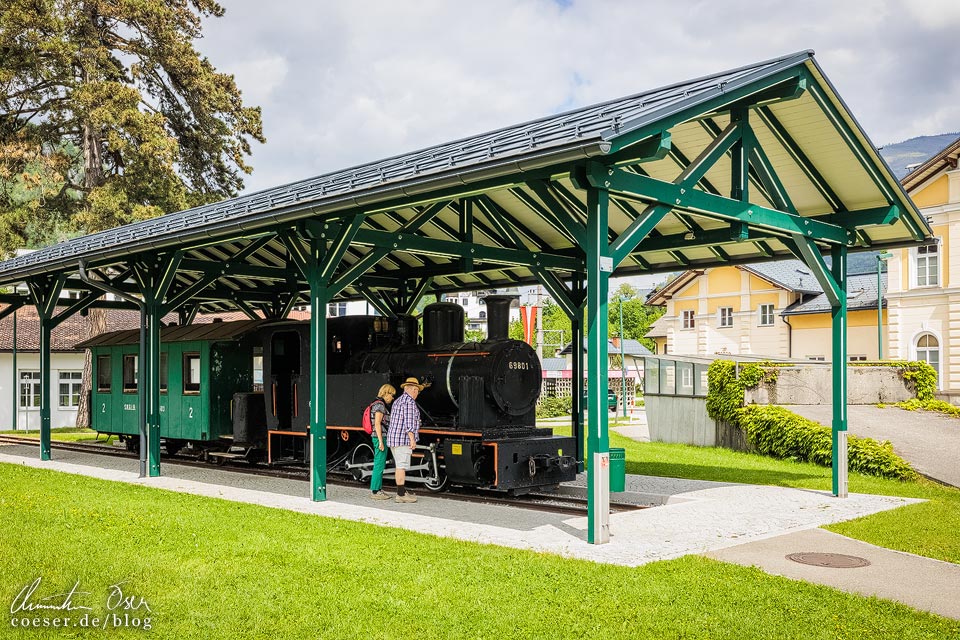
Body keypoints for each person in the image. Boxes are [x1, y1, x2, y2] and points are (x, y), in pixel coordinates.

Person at [386, 376, 429, 503]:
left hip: (394, 439)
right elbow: (409, 424)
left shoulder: (398, 401)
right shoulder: (409, 403)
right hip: (402, 440)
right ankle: (400, 495)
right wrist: (412, 439)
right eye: (417, 390)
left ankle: (402, 491)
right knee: (401, 467)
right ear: (412, 389)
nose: (417, 393)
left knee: (399, 466)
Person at [368, 384, 396, 501]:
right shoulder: (379, 405)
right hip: (380, 437)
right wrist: (380, 441)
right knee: (379, 464)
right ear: (386, 393)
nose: (393, 398)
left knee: (379, 463)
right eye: (392, 395)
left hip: (380, 437)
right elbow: (377, 424)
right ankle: (375, 491)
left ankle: (378, 489)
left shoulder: (377, 404)